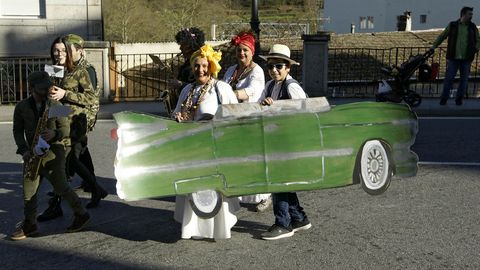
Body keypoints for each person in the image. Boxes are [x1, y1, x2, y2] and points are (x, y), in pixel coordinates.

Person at [11, 71, 90, 240]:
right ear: (31, 88)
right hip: (32, 153)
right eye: (42, 89)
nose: (47, 91)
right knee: (28, 192)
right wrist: (24, 149)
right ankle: (30, 224)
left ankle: (81, 213)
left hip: (54, 152)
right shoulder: (22, 107)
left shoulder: (56, 105)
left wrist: (54, 134)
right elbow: (17, 131)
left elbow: (66, 129)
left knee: (61, 187)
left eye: (48, 87)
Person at [172, 44, 239, 239]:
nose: (200, 70)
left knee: (213, 188)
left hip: (214, 148)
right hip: (192, 148)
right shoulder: (187, 89)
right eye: (196, 66)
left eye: (203, 65)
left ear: (211, 66)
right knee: (194, 188)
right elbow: (177, 111)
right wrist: (178, 116)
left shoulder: (221, 88)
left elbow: (235, 115)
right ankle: (194, 229)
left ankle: (217, 229)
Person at [258, 44, 311, 240]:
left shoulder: (292, 86)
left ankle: (283, 223)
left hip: (290, 142)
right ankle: (299, 218)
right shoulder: (270, 86)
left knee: (278, 180)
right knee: (283, 181)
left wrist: (277, 108)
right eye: (270, 66)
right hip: (276, 140)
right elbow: (259, 106)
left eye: (279, 66)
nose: (274, 70)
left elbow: (304, 113)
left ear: (288, 67)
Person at [49, 34, 106, 210]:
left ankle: (59, 199)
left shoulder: (86, 70)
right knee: (78, 153)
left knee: (68, 156)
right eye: (56, 50)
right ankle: (93, 186)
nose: (59, 54)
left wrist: (65, 94)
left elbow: (91, 98)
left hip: (79, 118)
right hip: (63, 113)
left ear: (78, 51)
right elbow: (50, 86)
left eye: (64, 50)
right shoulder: (61, 66)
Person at [222, 30, 271, 212]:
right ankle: (239, 192)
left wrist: (230, 94)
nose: (241, 54)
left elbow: (252, 92)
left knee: (256, 159)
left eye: (245, 50)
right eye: (239, 50)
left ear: (251, 52)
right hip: (234, 120)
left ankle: (266, 195)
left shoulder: (257, 71)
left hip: (252, 120)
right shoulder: (231, 70)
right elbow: (221, 87)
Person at [430, 6, 480, 106]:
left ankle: (459, 99)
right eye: (469, 14)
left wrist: (476, 49)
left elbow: (478, 40)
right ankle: (444, 99)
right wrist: (433, 46)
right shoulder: (453, 25)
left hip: (466, 58)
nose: (471, 16)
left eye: (471, 14)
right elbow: (442, 36)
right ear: (463, 14)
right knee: (449, 78)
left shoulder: (472, 27)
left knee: (464, 80)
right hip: (453, 57)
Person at [166, 27, 205, 114]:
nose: (180, 48)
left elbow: (201, 87)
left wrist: (180, 84)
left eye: (183, 45)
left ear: (190, 46)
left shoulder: (199, 63)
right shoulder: (188, 62)